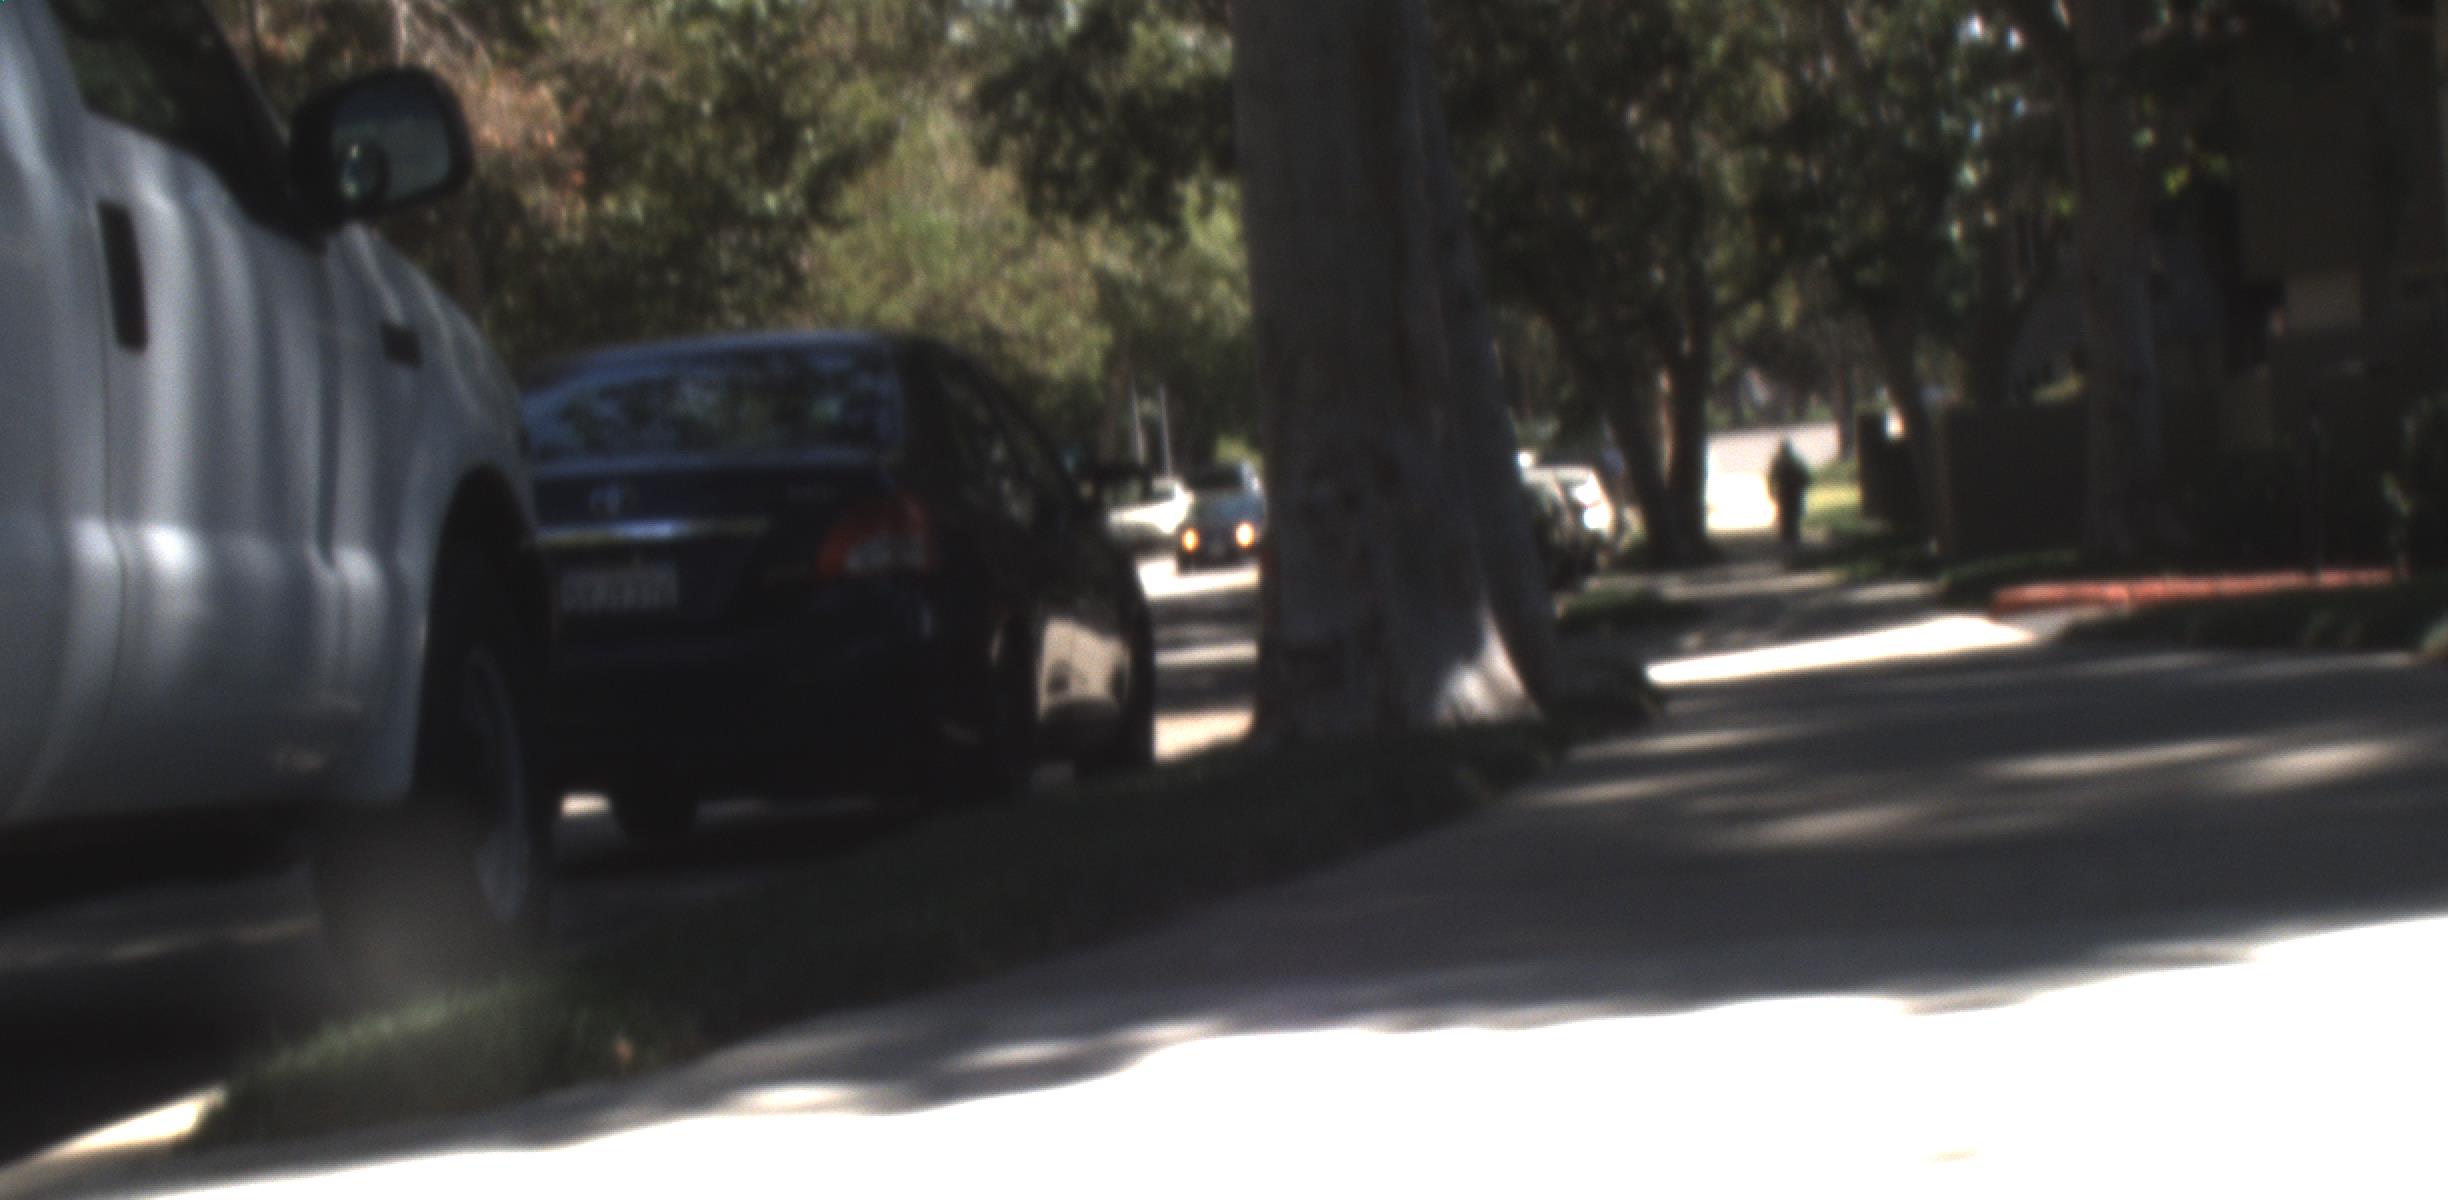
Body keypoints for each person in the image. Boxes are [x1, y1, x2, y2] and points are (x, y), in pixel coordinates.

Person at [1767, 439, 1812, 546]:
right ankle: (1790, 535)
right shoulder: (1794, 460)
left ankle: (1787, 536)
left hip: (1786, 492)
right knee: (1791, 513)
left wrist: (1771, 491)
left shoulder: (1779, 461)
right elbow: (1805, 476)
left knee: (1787, 514)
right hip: (1791, 492)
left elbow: (1771, 477)